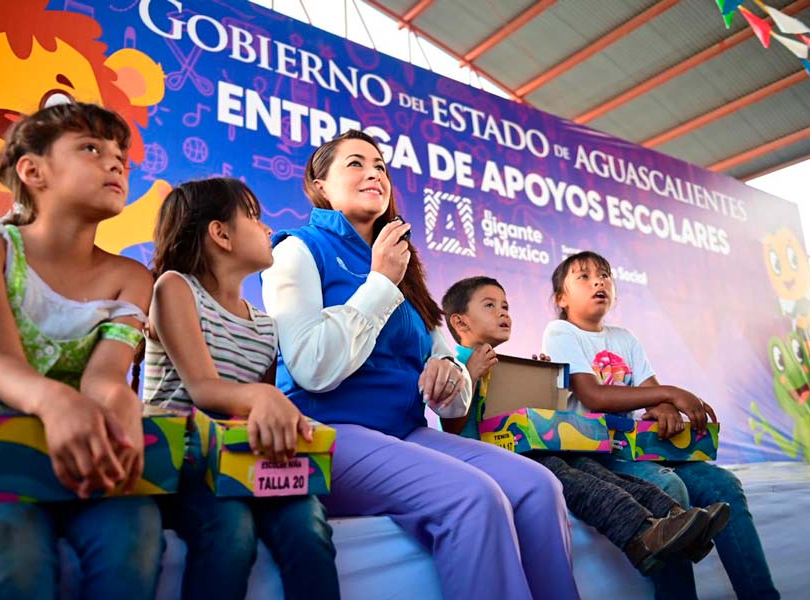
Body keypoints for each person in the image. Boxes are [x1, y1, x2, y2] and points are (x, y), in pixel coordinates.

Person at [261, 129, 580, 600]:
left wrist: (451, 374)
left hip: (406, 432)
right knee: (472, 498)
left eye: (381, 166)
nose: (374, 172)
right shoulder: (297, 250)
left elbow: (450, 391)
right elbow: (311, 368)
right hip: (327, 432)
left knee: (538, 487)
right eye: (355, 163)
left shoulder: (405, 265)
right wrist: (380, 282)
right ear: (319, 184)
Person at [0, 102, 163, 600]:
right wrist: (56, 401)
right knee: (15, 550)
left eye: (122, 156)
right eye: (91, 148)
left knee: (135, 531)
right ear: (33, 171)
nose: (115, 163)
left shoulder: (132, 278)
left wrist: (119, 403)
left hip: (76, 468)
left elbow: (104, 378)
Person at [440, 275, 725, 577]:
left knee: (591, 467)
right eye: (490, 305)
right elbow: (453, 427)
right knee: (563, 473)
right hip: (490, 464)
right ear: (460, 323)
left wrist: (544, 384)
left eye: (506, 306)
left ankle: (677, 520)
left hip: (526, 452)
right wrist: (469, 375)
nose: (503, 312)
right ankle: (639, 534)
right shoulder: (454, 362)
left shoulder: (505, 365)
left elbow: (528, 425)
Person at [542, 250, 780, 600]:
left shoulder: (625, 337)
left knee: (724, 485)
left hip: (639, 449)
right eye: (584, 276)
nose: (599, 281)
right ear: (561, 299)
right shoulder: (559, 331)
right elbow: (592, 395)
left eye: (605, 274)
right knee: (668, 486)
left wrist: (664, 405)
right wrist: (670, 395)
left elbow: (651, 394)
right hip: (598, 455)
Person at [144, 177, 339, 600]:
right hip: (182, 462)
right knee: (231, 529)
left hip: (241, 461)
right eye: (254, 217)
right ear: (220, 234)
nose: (268, 228)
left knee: (309, 527)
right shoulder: (175, 288)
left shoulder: (267, 328)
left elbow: (257, 413)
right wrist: (266, 398)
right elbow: (203, 389)